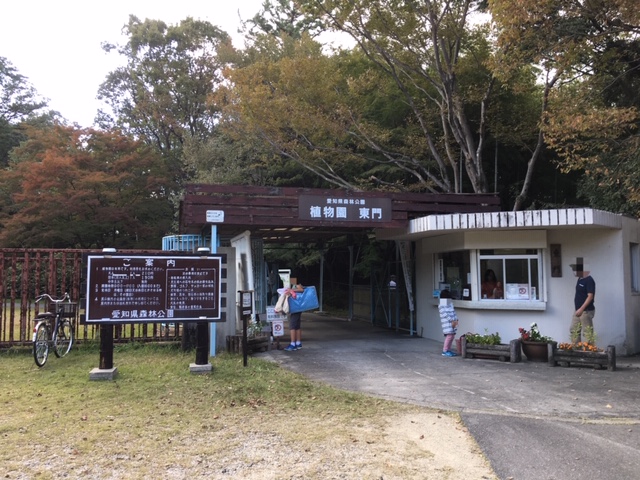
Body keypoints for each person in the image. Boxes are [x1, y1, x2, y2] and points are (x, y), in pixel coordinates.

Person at [570, 262, 596, 343]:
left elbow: (590, 296)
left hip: (586, 311)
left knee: (587, 332)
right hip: (578, 310)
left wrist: (581, 309)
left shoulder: (589, 280)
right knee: (574, 329)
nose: (574, 272)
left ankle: (589, 352)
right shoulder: (580, 279)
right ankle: (576, 350)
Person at [284, 282, 305, 351]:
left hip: (295, 307)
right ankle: (298, 343)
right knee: (297, 326)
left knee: (292, 326)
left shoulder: (296, 284)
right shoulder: (295, 284)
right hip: (298, 307)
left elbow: (301, 290)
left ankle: (293, 344)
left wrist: (291, 290)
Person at [438, 289, 458, 357]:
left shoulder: (450, 304)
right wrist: (451, 320)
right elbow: (444, 314)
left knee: (452, 336)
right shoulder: (441, 305)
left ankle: (448, 350)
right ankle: (445, 350)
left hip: (453, 323)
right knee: (449, 336)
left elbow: (453, 312)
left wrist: (456, 319)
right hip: (447, 323)